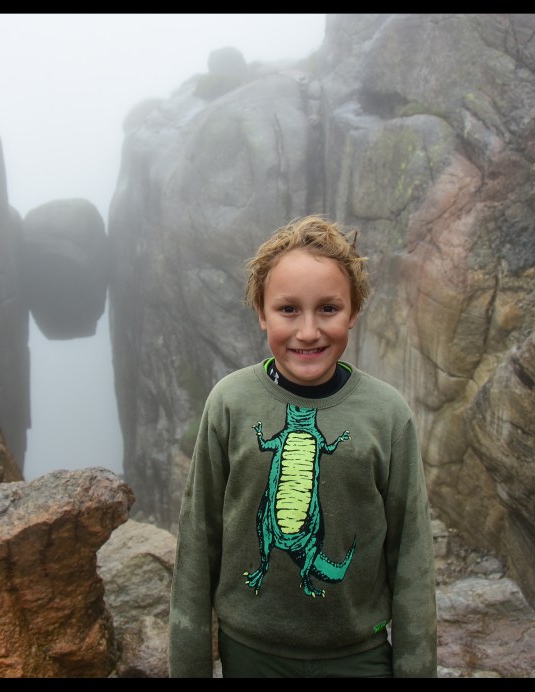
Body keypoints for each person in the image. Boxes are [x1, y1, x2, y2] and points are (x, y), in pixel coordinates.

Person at [168, 215, 437, 677]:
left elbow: (412, 552)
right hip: (250, 653)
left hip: (359, 655)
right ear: (261, 313)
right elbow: (198, 541)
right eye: (288, 309)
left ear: (353, 312)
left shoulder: (387, 414)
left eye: (328, 309)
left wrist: (415, 666)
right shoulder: (229, 403)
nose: (308, 331)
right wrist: (188, 664)